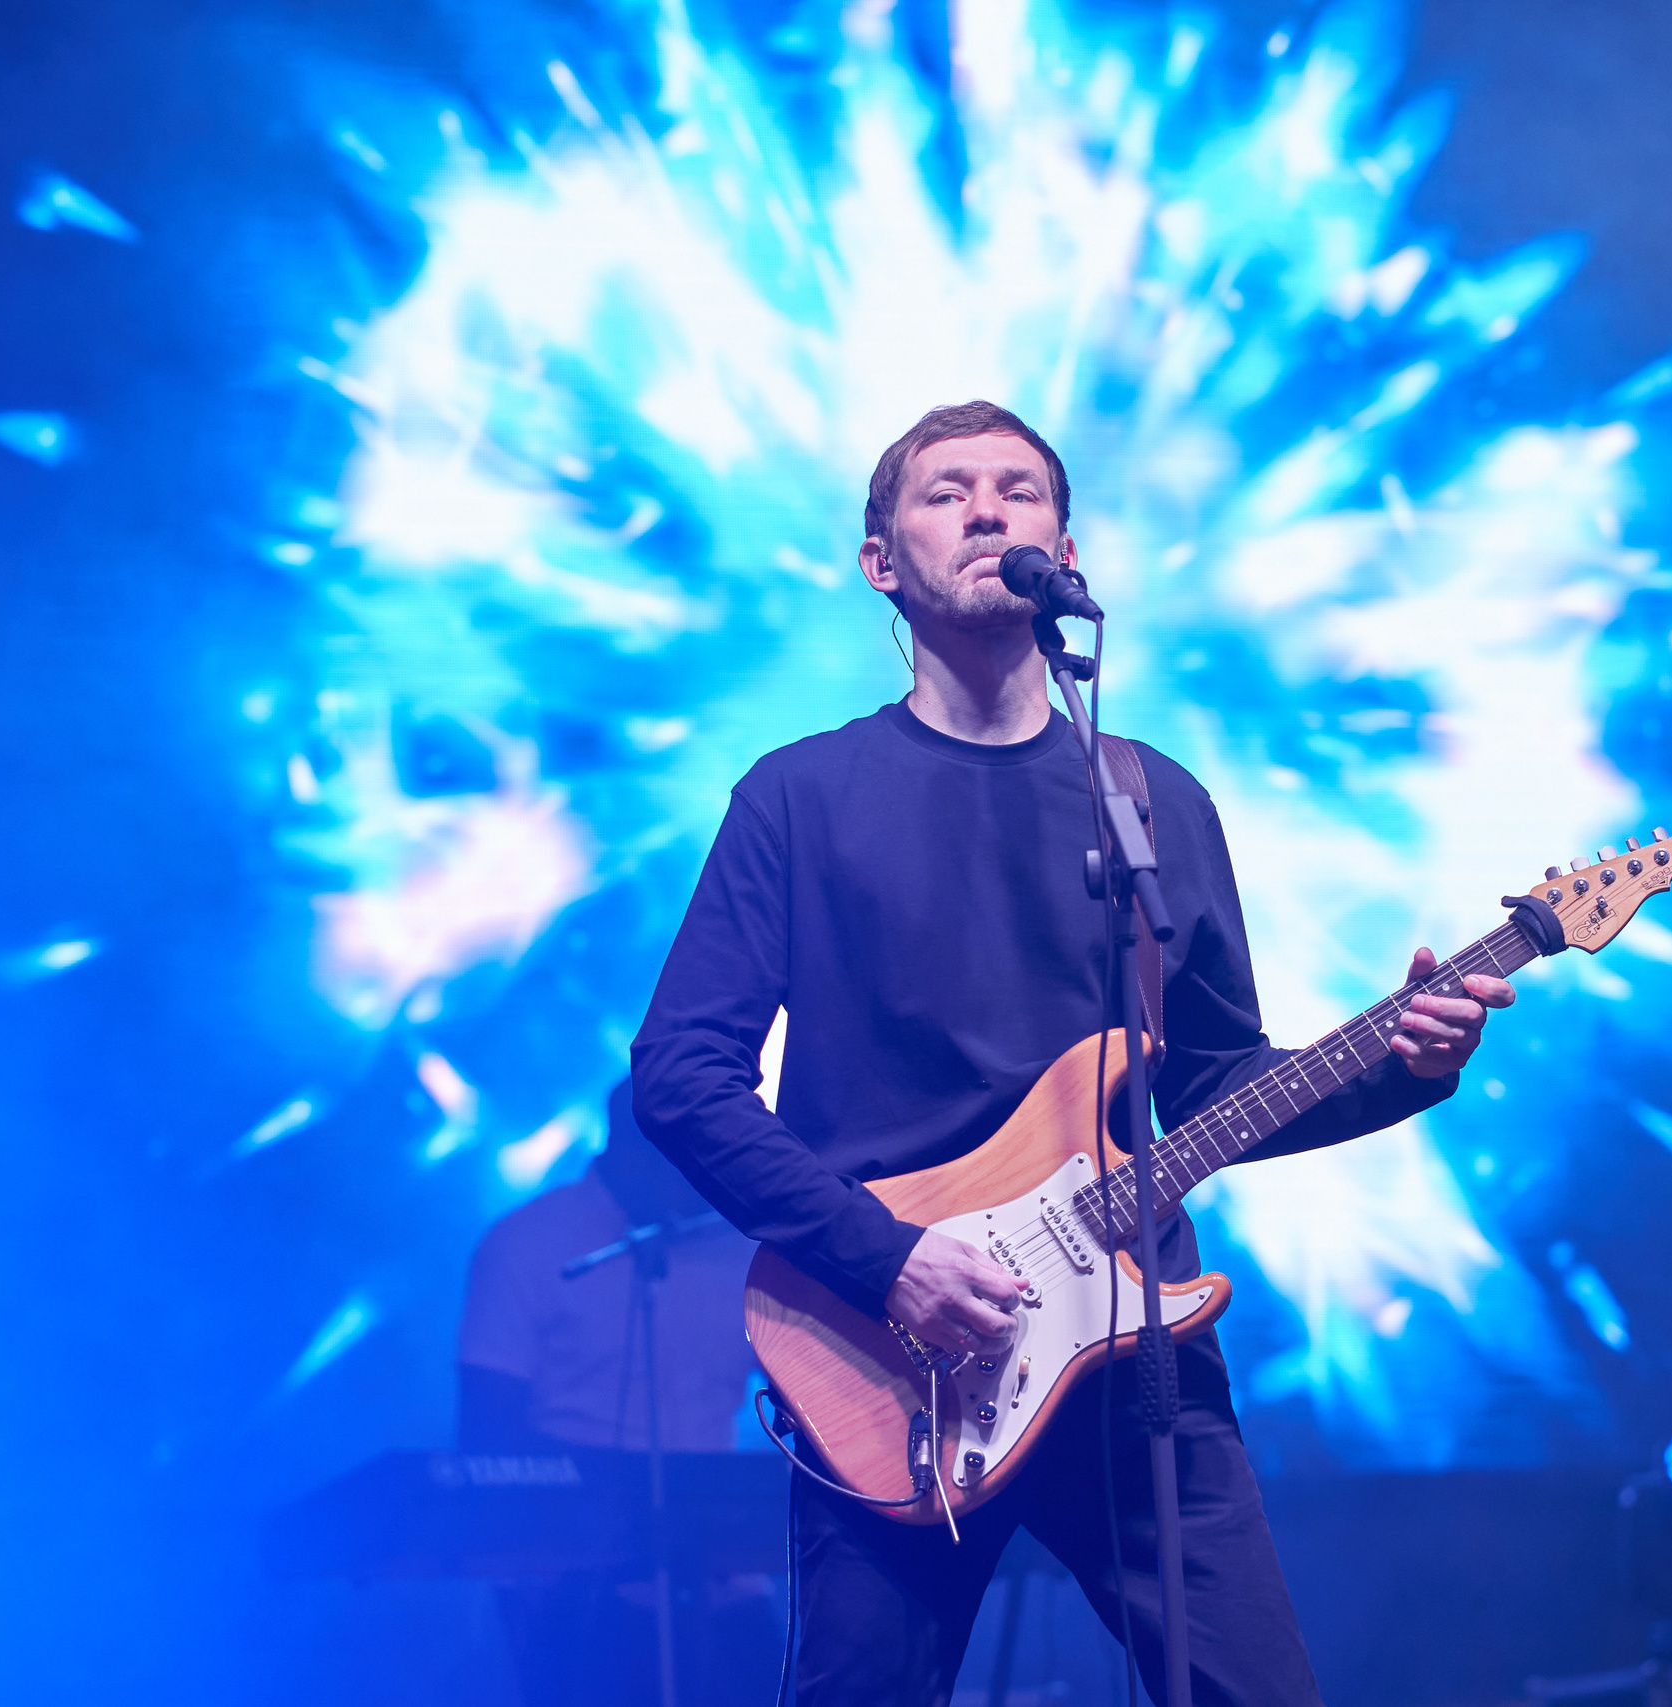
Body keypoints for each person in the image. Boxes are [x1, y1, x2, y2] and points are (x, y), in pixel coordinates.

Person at [629, 400, 1510, 1707]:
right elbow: (682, 1074)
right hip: (892, 1352)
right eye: (947, 492)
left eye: (1017, 490)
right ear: (882, 560)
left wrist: (1404, 1063)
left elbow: (1213, 1080)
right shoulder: (800, 795)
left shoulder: (1152, 800)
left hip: (1129, 1344)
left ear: (1067, 545)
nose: (987, 511)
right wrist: (891, 1259)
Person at [457, 1079, 775, 1707]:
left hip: (720, 1566)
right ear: (631, 1151)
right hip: (574, 1570)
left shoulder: (740, 1253)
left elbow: (807, 1393)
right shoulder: (528, 1242)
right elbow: (487, 1433)